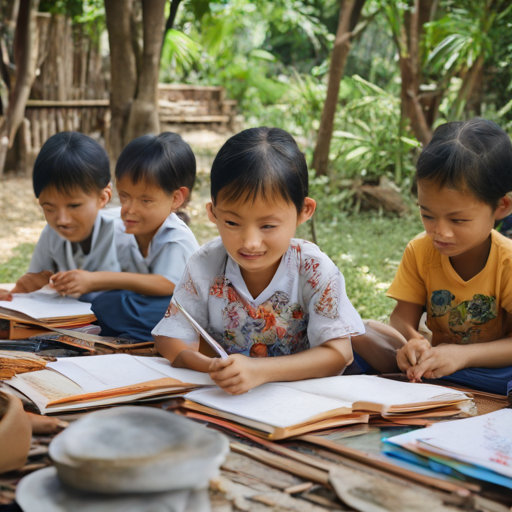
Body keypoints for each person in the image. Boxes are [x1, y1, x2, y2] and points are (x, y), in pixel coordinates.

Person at [153, 127, 365, 395]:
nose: (250, 242)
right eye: (232, 222)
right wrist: (212, 367)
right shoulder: (205, 264)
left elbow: (338, 353)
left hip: (302, 402)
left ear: (304, 211)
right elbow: (169, 339)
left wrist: (260, 372)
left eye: (268, 225)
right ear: (213, 212)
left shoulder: (313, 269)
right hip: (226, 400)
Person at [388, 118, 512, 395]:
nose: (440, 232)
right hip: (437, 365)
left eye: (458, 220)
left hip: (491, 369)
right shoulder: (419, 251)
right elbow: (399, 318)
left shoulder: (507, 261)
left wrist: (462, 356)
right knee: (364, 336)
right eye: (427, 215)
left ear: (501, 206)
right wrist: (413, 342)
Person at [51, 133, 200, 341]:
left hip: (179, 310)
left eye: (145, 201)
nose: (129, 209)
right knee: (96, 298)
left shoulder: (176, 236)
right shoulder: (122, 226)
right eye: (124, 196)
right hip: (140, 303)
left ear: (176, 198)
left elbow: (166, 283)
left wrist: (96, 280)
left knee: (114, 302)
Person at [11, 132, 118, 295]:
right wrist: (22, 289)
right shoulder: (51, 234)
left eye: (74, 206)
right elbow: (33, 285)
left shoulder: (129, 234)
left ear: (103, 198)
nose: (62, 220)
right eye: (49, 209)